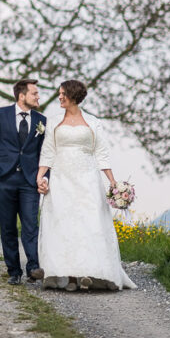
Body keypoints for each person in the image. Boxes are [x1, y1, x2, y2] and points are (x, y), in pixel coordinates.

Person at [37, 79, 135, 291]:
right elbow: (48, 151)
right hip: (62, 179)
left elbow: (101, 152)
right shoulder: (53, 122)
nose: (59, 97)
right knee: (64, 224)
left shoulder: (93, 122)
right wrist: (40, 176)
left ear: (73, 95)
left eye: (63, 93)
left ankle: (88, 274)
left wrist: (113, 183)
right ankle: (71, 278)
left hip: (87, 178)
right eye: (59, 93)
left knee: (89, 222)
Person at [0, 78, 46, 285]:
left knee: (30, 225)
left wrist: (44, 177)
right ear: (22, 96)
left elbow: (44, 152)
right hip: (4, 179)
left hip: (29, 181)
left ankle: (33, 268)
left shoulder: (41, 120)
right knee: (8, 227)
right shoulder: (0, 114)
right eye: (34, 93)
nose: (38, 97)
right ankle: (14, 271)